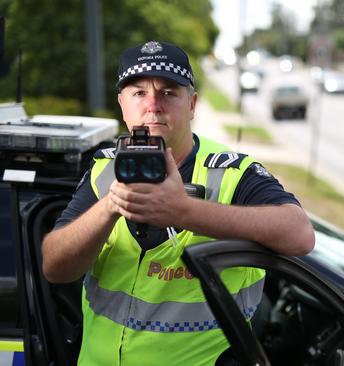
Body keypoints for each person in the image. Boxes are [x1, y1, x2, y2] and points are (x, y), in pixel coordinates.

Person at [42, 40, 315, 366]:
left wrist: (184, 212)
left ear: (192, 104)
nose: (153, 105)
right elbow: (54, 267)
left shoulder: (229, 171)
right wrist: (111, 205)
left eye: (169, 92)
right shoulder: (105, 170)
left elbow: (300, 235)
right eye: (139, 93)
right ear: (122, 104)